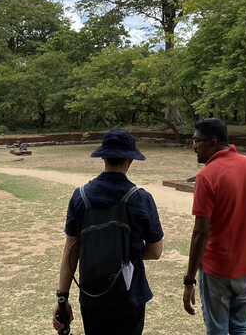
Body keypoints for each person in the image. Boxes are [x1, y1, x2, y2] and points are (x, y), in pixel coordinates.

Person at [53, 129, 164, 335]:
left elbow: (71, 251)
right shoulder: (140, 198)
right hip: (130, 294)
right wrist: (125, 253)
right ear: (130, 161)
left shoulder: (80, 197)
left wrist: (62, 299)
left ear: (103, 157)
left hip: (92, 294)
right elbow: (156, 251)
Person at [182, 118, 246, 334]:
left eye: (196, 141)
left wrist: (189, 280)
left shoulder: (207, 176)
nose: (193, 147)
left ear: (213, 141)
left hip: (217, 269)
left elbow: (200, 232)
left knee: (218, 329)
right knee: (243, 327)